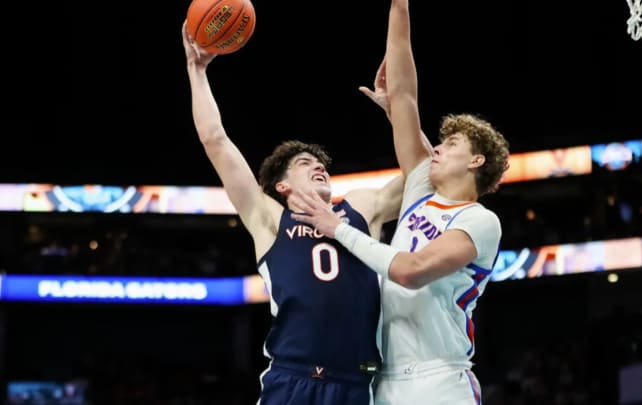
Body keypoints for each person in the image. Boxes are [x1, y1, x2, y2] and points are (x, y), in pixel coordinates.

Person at [287, 0, 511, 403]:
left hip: (440, 378)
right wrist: (399, 8)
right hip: (383, 381)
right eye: (439, 142)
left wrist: (337, 228)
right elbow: (406, 95)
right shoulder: (421, 189)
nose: (438, 148)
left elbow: (411, 270)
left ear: (476, 161)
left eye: (452, 144)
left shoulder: (480, 221)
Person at [180, 21, 405, 405]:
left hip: (358, 382)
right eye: (305, 162)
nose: (319, 166)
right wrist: (196, 71)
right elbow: (215, 142)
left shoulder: (362, 207)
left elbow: (423, 175)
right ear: (282, 186)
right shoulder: (269, 219)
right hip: (293, 379)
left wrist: (396, 114)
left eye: (322, 164)